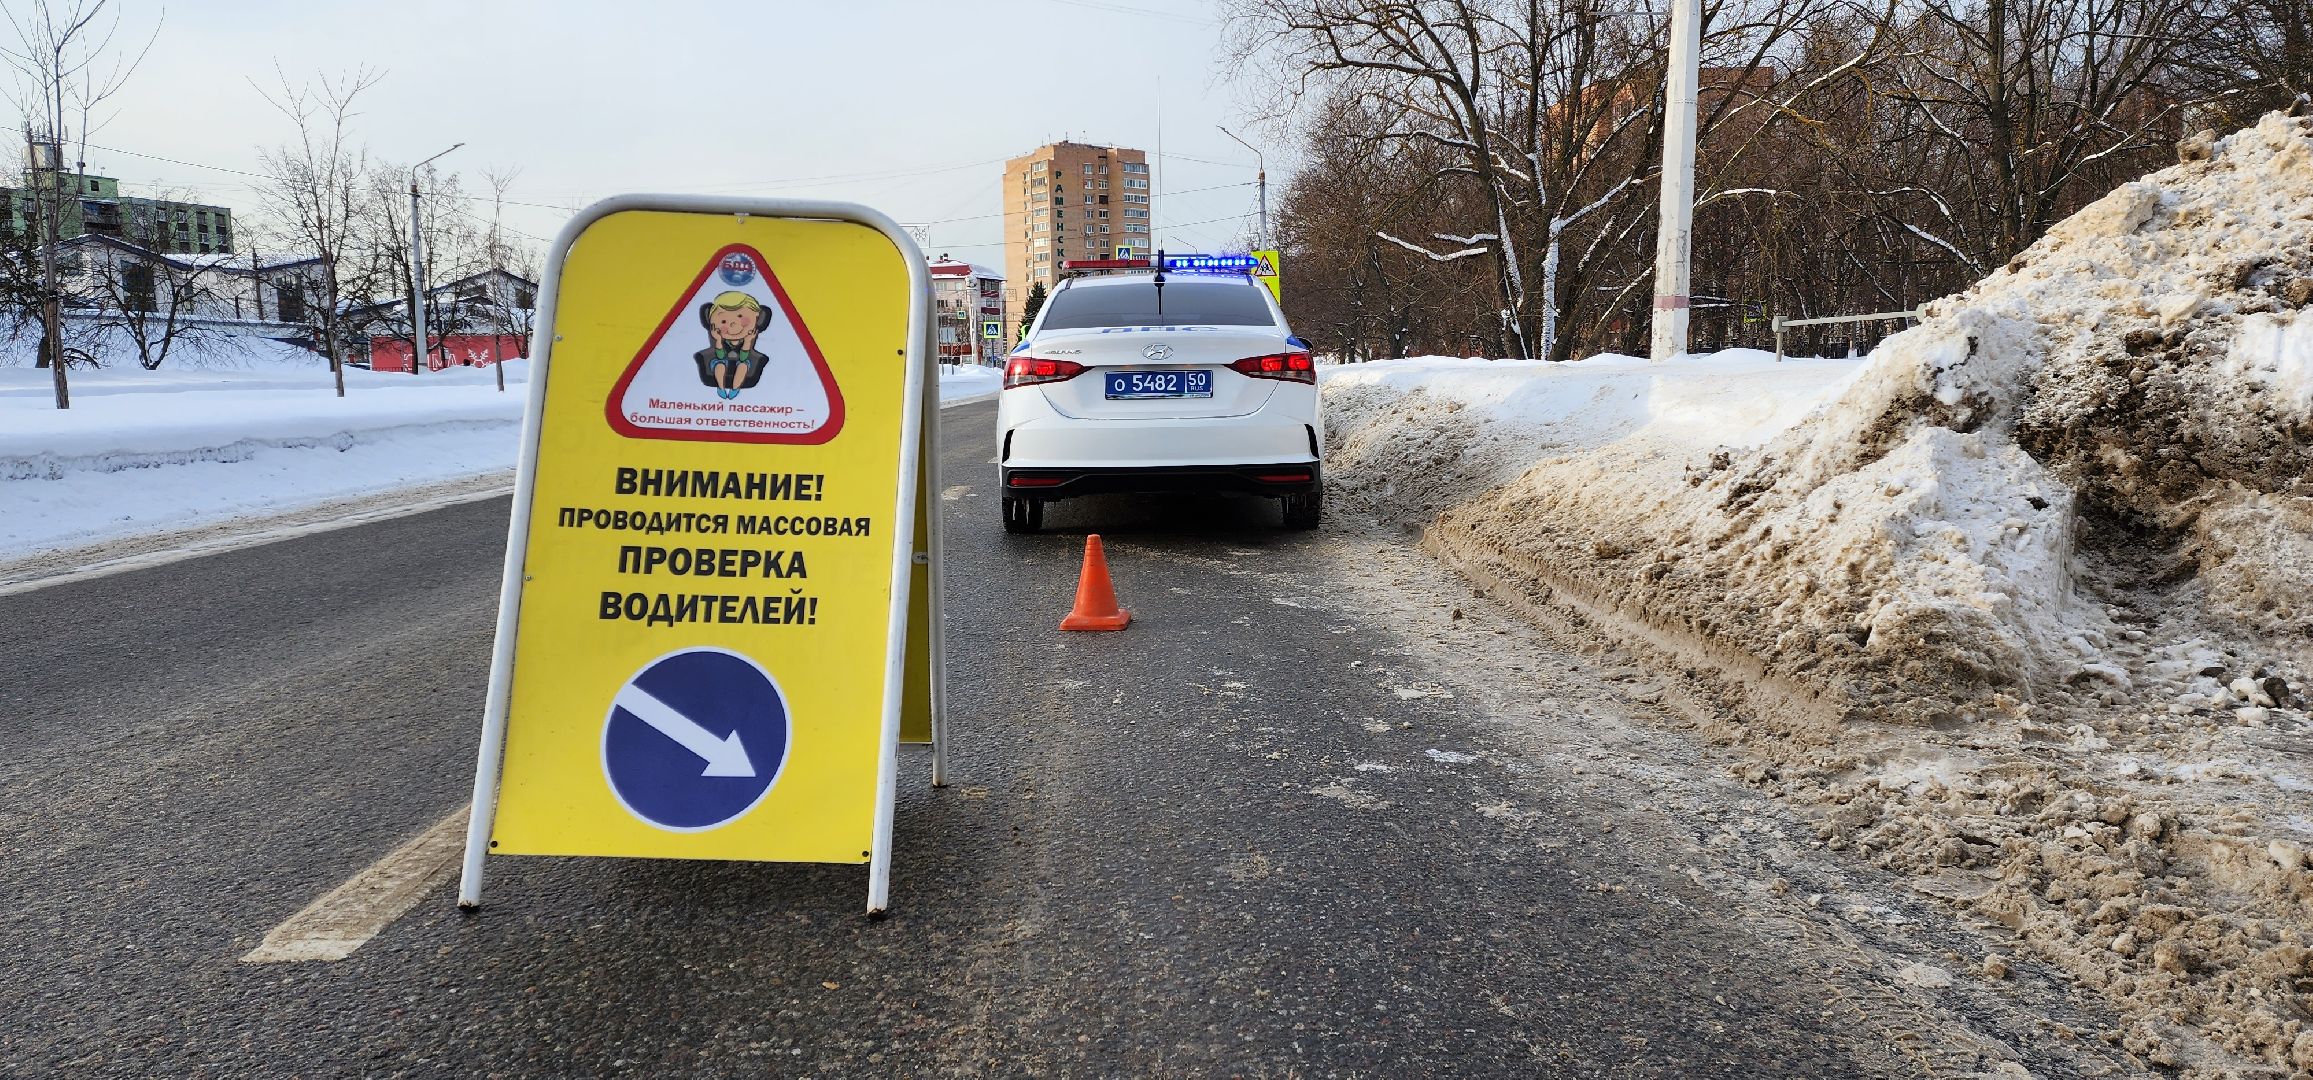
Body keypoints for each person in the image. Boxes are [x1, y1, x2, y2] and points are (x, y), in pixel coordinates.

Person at [694, 291, 772, 400]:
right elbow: (720, 356)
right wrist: (717, 340)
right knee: (720, 365)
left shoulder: (747, 340)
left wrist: (747, 342)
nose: (732, 324)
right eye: (723, 321)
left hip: (742, 362)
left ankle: (735, 388)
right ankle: (721, 388)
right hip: (720, 361)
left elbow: (744, 357)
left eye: (740, 316)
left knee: (743, 366)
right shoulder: (720, 340)